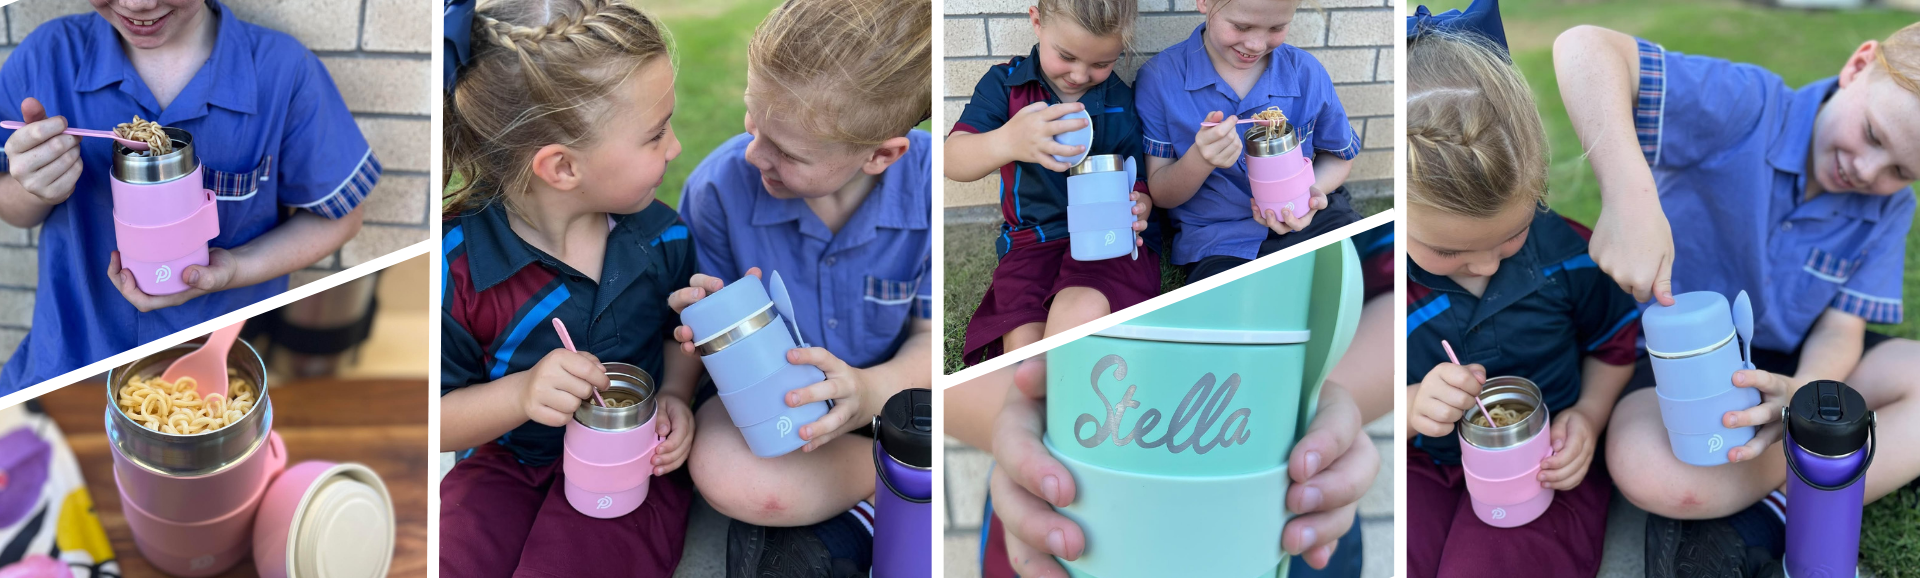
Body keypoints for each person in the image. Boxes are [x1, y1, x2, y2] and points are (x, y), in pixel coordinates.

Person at [1557, 19, 1920, 573]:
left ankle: (1769, 511)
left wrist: (1805, 400)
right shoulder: (1748, 106)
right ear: (1857, 66)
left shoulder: (1890, 207)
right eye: (1873, 134)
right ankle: (1826, 473)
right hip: (1678, 366)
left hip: (1793, 362)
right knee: (1647, 469)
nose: (1868, 172)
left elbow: (1839, 327)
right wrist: (1628, 193)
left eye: (1902, 171)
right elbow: (1583, 46)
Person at [437, 1, 698, 575]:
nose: (675, 147)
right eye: (655, 135)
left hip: (633, 459)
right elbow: (432, 419)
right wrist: (520, 395)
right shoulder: (458, 267)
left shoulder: (662, 238)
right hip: (505, 461)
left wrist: (676, 396)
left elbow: (676, 338)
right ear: (562, 168)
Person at [0, 0, 380, 390]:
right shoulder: (45, 58)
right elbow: (13, 208)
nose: (138, 4)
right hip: (68, 365)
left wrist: (235, 268)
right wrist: (35, 188)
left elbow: (341, 216)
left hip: (221, 374)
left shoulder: (283, 71)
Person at [949, 0, 1159, 367]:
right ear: (1037, 22)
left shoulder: (1119, 99)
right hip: (1032, 243)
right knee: (1027, 359)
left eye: (1100, 64)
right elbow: (953, 159)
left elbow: (1138, 180)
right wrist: (1008, 141)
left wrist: (1140, 205)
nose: (1079, 75)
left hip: (1104, 241)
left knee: (1077, 316)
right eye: (1066, 55)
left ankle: (1065, 373)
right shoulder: (1005, 85)